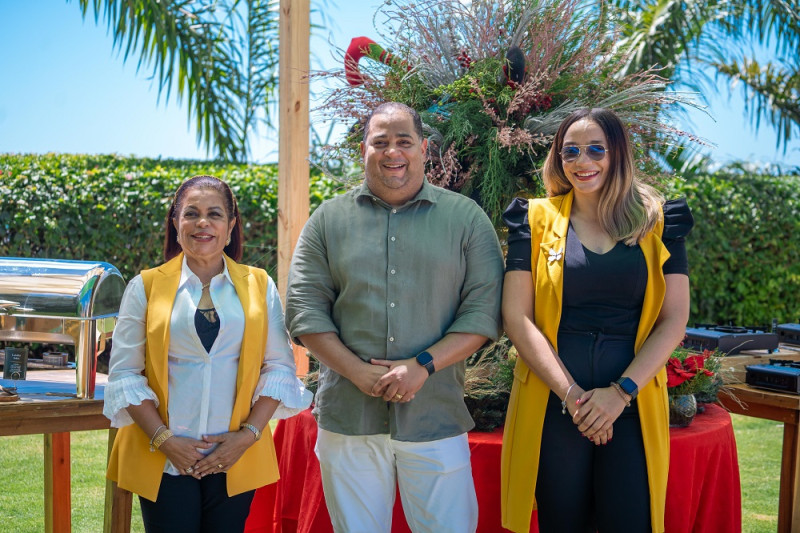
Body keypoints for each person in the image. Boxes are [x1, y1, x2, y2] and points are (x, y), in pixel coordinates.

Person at [285, 102, 504, 533]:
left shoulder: (466, 220)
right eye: (379, 142)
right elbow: (304, 311)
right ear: (363, 149)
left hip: (436, 416)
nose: (392, 152)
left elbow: (483, 313)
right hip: (350, 418)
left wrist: (422, 366)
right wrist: (358, 374)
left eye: (403, 141)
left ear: (424, 148)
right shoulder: (327, 221)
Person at [499, 108, 693, 533]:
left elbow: (674, 319)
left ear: (617, 153)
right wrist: (572, 396)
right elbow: (517, 318)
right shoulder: (532, 219)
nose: (582, 161)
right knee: (560, 522)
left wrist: (620, 394)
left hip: (632, 401)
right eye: (570, 151)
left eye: (595, 149)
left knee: (631, 522)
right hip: (555, 402)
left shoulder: (660, 220)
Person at [104, 175, 312, 533]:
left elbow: (278, 367)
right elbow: (125, 375)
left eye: (214, 214)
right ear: (175, 223)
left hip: (235, 455)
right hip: (163, 457)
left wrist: (246, 437)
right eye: (191, 214)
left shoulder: (260, 286)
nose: (203, 223)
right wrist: (166, 442)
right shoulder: (145, 286)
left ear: (230, 227)